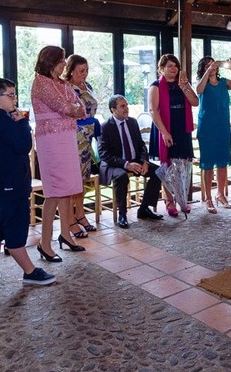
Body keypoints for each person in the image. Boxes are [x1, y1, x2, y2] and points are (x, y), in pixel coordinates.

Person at [0, 77, 56, 291]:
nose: (14, 99)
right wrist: (23, 123)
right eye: (10, 95)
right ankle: (30, 272)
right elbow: (23, 145)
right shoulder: (2, 120)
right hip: (11, 185)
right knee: (15, 231)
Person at [31, 46, 86, 261]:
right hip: (51, 142)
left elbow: (80, 109)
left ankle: (65, 233)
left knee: (68, 188)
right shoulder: (40, 82)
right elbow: (64, 107)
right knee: (54, 191)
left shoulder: (62, 83)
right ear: (50, 61)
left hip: (66, 139)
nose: (64, 64)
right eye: (61, 60)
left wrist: (71, 106)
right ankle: (45, 244)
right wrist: (70, 107)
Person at [99, 95, 164, 227]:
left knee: (158, 171)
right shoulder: (105, 127)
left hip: (135, 161)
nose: (126, 108)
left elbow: (141, 145)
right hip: (115, 163)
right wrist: (126, 164)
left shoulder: (133, 122)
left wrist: (144, 161)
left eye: (127, 105)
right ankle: (122, 214)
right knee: (122, 176)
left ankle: (144, 208)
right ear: (113, 110)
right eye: (122, 106)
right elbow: (103, 153)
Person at [148, 54, 198, 216]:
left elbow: (195, 102)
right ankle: (169, 200)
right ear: (161, 68)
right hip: (165, 128)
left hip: (182, 128)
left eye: (175, 66)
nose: (173, 69)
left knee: (183, 164)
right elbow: (153, 111)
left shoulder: (182, 84)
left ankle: (182, 198)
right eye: (169, 66)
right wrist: (164, 132)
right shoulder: (155, 86)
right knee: (167, 165)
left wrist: (185, 87)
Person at [195, 56, 231, 212]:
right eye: (208, 64)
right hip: (207, 127)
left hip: (222, 126)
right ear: (203, 68)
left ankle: (221, 194)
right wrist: (208, 71)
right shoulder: (203, 83)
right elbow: (198, 91)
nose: (212, 66)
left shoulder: (223, 82)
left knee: (222, 161)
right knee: (207, 163)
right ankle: (208, 197)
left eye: (213, 64)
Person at [64, 54, 99, 237]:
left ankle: (80, 213)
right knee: (73, 179)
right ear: (70, 71)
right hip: (74, 136)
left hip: (87, 137)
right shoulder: (66, 88)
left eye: (86, 70)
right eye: (80, 71)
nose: (84, 74)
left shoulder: (89, 86)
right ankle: (69, 219)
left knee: (83, 177)